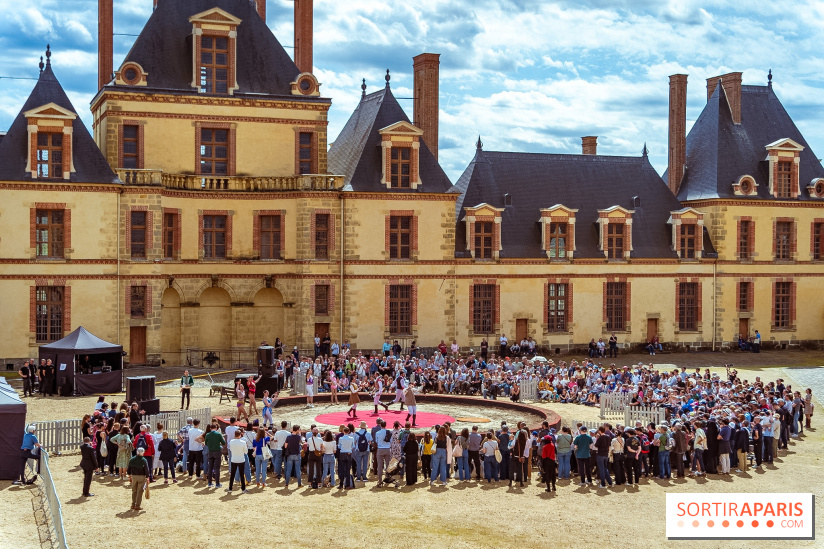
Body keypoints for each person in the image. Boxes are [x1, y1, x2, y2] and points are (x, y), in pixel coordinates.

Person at [204, 423, 225, 488]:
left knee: (210, 467)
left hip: (210, 452)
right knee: (217, 468)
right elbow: (223, 442)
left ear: (210, 428)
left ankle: (209, 483)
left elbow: (206, 443)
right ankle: (217, 483)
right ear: (216, 428)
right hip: (217, 451)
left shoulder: (207, 435)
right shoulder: (218, 434)